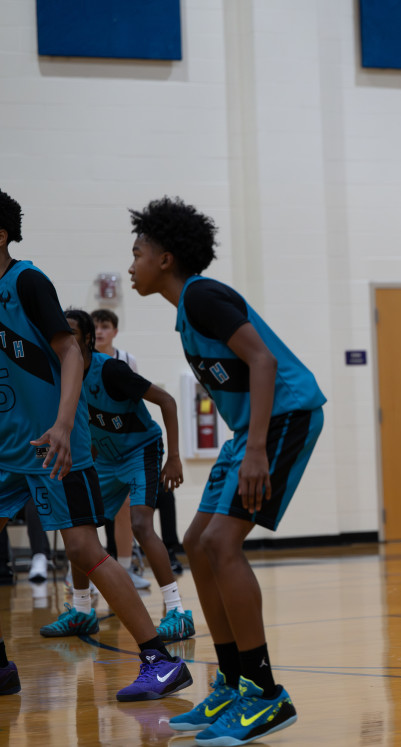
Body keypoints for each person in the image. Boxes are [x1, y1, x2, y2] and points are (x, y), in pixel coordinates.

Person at [127, 196, 325, 744]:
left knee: (222, 541)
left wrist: (256, 447)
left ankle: (265, 693)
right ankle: (233, 682)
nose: (132, 265)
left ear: (165, 259)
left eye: (138, 253)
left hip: (285, 416)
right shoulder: (187, 311)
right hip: (251, 431)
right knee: (197, 542)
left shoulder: (202, 296)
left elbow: (263, 360)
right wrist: (248, 441)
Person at [0, 188, 192, 700]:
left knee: (86, 547)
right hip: (8, 445)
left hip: (55, 441)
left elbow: (68, 353)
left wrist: (64, 425)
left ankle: (160, 658)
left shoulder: (27, 281)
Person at [39, 309, 195, 643]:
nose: (62, 336)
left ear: (87, 339)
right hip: (106, 459)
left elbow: (167, 401)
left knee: (140, 525)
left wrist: (174, 457)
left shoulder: (111, 370)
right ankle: (82, 611)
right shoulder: (61, 374)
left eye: (70, 331)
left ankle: (178, 612)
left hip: (141, 450)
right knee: (79, 526)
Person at [90, 308, 154, 590]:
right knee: (88, 510)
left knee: (125, 507)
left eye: (105, 326)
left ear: (115, 331)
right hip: (93, 444)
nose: (99, 331)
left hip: (122, 447)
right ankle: (82, 571)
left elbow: (135, 403)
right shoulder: (80, 362)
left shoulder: (127, 361)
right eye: (95, 326)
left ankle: (126, 568)